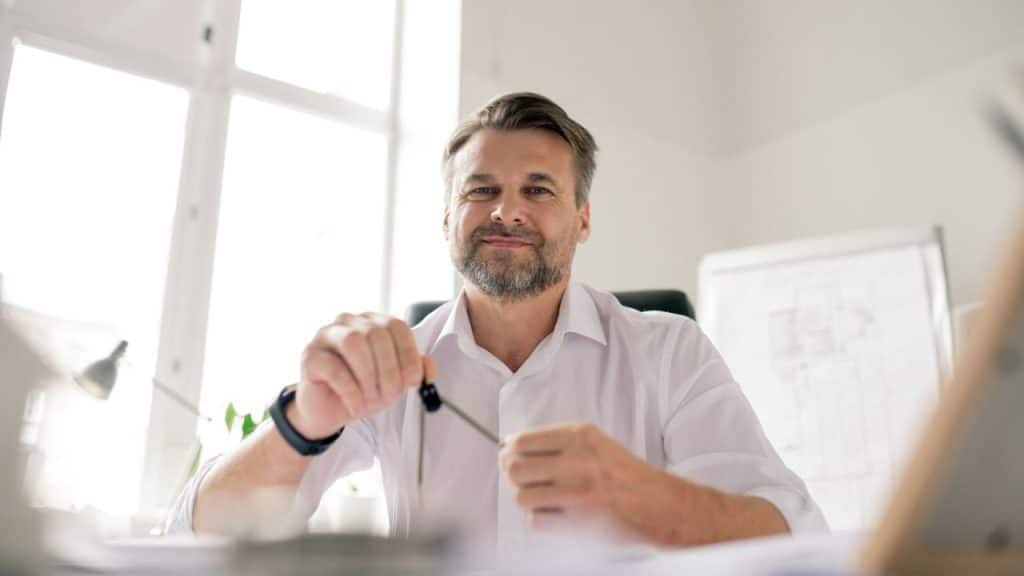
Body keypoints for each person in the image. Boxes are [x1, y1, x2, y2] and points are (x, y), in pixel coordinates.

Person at [167, 92, 826, 556]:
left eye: (538, 190)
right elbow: (198, 535)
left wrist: (644, 494)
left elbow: (796, 539)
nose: (507, 211)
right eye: (481, 190)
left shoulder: (670, 352)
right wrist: (302, 422)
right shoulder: (388, 366)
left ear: (584, 219)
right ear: (447, 217)